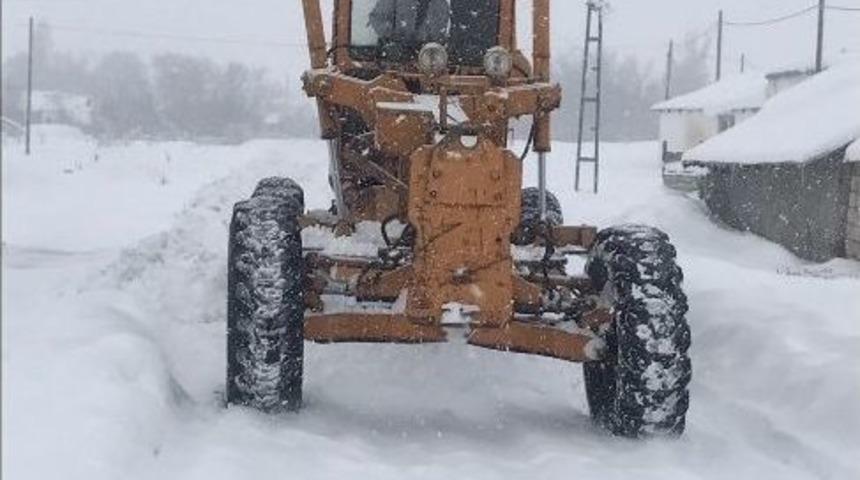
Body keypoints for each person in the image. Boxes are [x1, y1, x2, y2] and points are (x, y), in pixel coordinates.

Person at [368, 0, 450, 45]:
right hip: (394, 56)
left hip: (425, 60)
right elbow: (376, 18)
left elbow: (440, 35)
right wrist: (391, 36)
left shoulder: (441, 4)